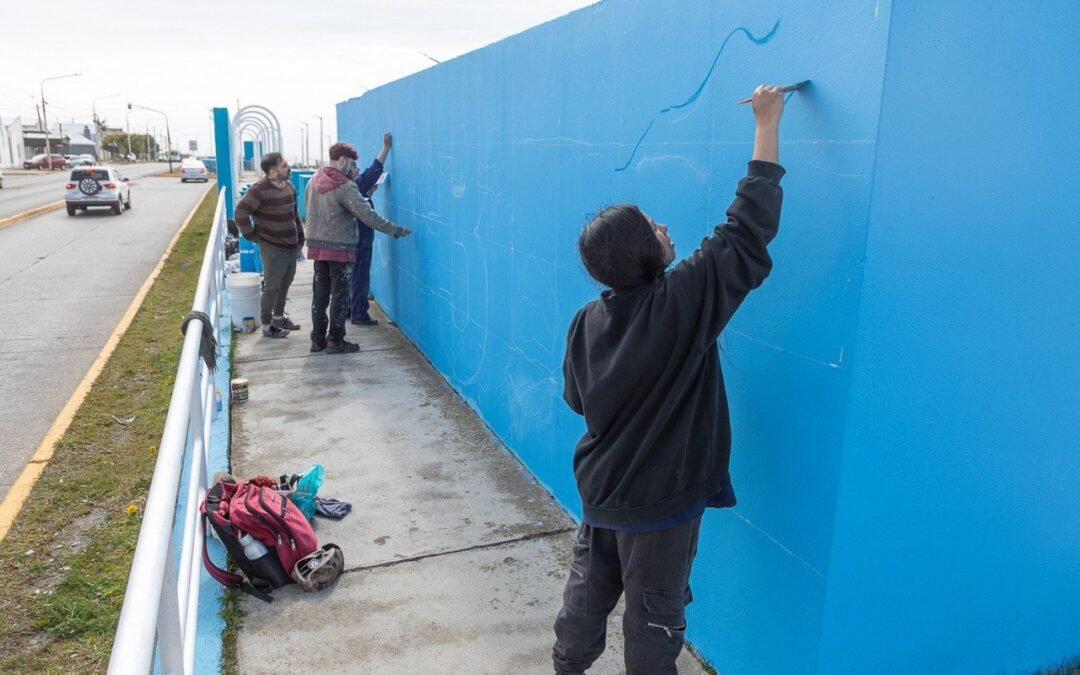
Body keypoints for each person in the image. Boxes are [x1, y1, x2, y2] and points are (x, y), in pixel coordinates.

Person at [552, 84, 787, 674]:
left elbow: (578, 402)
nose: (661, 225)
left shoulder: (587, 319)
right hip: (659, 506)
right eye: (650, 227)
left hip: (602, 494)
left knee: (586, 598)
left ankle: (566, 666)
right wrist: (766, 122)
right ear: (644, 254)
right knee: (654, 621)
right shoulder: (681, 301)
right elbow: (747, 228)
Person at [304, 141, 412, 354]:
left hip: (317, 247)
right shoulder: (345, 186)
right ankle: (335, 340)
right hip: (340, 249)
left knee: (320, 295)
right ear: (342, 160)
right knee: (340, 297)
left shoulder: (313, 180)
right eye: (352, 163)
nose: (353, 167)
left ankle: (317, 340)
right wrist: (396, 230)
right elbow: (368, 217)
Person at [233, 152, 304, 338]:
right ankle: (267, 326)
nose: (288, 168)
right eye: (284, 165)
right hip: (272, 247)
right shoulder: (259, 190)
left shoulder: (289, 186)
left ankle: (279, 318)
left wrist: (300, 237)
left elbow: (293, 215)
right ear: (272, 172)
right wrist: (252, 236)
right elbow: (240, 212)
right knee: (272, 287)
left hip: (291, 246)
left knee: (285, 283)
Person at [348, 132, 393, 327]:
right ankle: (359, 313)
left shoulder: (352, 188)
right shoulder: (356, 184)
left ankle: (353, 309)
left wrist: (369, 192)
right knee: (360, 277)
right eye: (354, 167)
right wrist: (386, 148)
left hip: (353, 240)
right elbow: (375, 169)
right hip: (361, 240)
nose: (358, 169)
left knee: (354, 277)